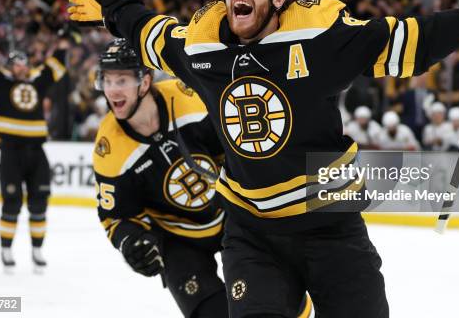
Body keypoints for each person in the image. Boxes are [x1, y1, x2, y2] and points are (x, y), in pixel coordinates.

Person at [68, 0, 459, 317]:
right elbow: (149, 33)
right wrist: (116, 5)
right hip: (252, 233)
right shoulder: (200, 46)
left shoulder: (318, 38)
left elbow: (406, 40)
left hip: (331, 225)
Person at [92, 39, 315, 318]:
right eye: (107, 81)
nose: (112, 90)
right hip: (178, 240)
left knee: (280, 300)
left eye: (121, 80)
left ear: (145, 81)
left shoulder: (189, 100)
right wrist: (132, 241)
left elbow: (236, 147)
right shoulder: (108, 148)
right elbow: (116, 215)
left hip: (231, 218)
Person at [0, 43, 68, 273]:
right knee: (11, 204)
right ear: (10, 67)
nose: (21, 67)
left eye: (24, 63)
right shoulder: (0, 81)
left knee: (39, 203)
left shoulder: (37, 81)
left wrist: (61, 46)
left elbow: (56, 68)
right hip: (11, 152)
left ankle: (37, 250)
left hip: (36, 150)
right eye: (16, 63)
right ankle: (6, 249)